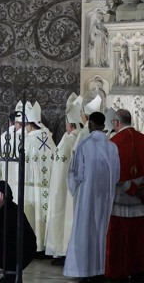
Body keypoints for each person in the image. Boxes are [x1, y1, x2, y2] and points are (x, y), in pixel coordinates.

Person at [64, 111, 119, 282]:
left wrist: (72, 185)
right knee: (102, 231)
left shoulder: (84, 145)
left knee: (85, 232)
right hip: (106, 198)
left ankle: (85, 270)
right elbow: (116, 175)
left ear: (90, 125)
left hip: (87, 198)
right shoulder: (112, 147)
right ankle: (100, 268)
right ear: (103, 126)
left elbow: (76, 174)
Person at [105, 108, 144, 279]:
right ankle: (139, 270)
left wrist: (129, 187)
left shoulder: (113, 142)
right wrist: (138, 188)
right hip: (141, 199)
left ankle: (117, 271)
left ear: (116, 123)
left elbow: (111, 173)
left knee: (118, 240)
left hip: (119, 199)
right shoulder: (143, 139)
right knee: (138, 238)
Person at [45, 93, 83, 266]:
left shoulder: (72, 140)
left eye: (67, 123)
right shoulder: (70, 138)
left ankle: (64, 250)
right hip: (60, 187)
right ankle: (60, 250)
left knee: (66, 218)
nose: (65, 125)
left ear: (71, 124)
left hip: (65, 189)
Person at [0, 181, 37, 283]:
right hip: (5, 246)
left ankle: (11, 276)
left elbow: (2, 233)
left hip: (22, 249)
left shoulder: (13, 211)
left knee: (1, 244)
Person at [20, 101, 53, 252]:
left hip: (31, 186)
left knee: (31, 215)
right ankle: (44, 244)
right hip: (47, 186)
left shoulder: (29, 140)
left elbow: (23, 163)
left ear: (29, 125)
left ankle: (32, 246)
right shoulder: (49, 137)